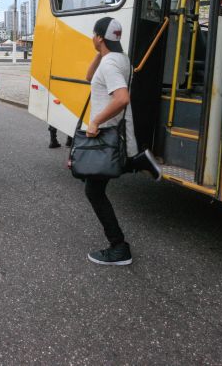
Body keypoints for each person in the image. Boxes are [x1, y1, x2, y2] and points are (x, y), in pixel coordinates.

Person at [82, 16, 160, 266]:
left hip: (107, 132)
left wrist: (95, 121)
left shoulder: (111, 64)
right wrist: (100, 52)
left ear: (99, 37)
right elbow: (88, 76)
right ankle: (138, 161)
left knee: (93, 190)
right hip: (114, 133)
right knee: (106, 174)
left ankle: (119, 247)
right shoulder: (118, 59)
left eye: (94, 35)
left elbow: (122, 98)